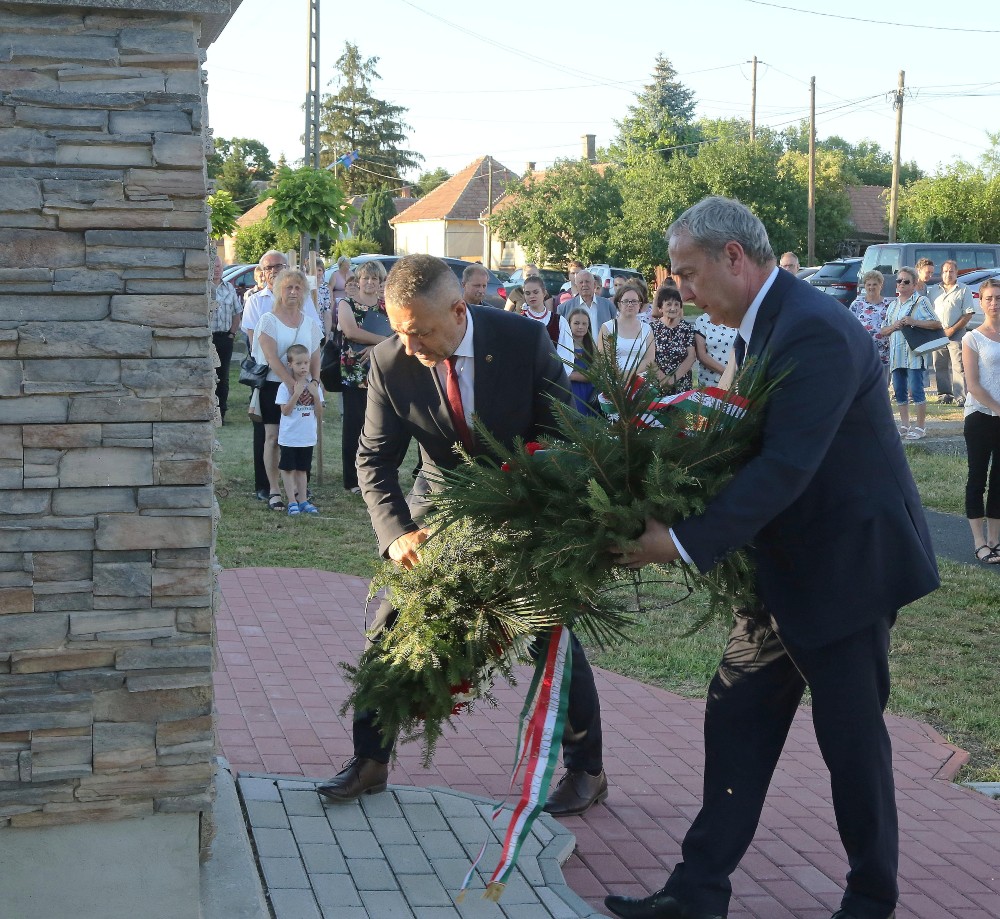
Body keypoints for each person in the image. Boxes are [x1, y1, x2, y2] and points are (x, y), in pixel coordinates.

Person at [603, 196, 938, 919]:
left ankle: (870, 898)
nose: (682, 293)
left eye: (689, 275)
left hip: (847, 571)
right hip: (783, 568)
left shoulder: (812, 330)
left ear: (734, 257)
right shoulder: (763, 326)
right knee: (735, 720)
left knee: (850, 743)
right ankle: (696, 893)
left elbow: (785, 467)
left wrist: (680, 541)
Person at [318, 254, 609, 819]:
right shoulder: (389, 362)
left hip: (524, 494)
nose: (409, 344)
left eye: (420, 331)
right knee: (391, 621)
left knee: (549, 633)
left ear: (458, 310)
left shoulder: (522, 341)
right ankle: (370, 758)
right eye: (399, 330)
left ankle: (586, 769)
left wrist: (528, 508)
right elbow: (374, 461)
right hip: (439, 502)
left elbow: (563, 436)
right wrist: (397, 534)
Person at [252, 268, 323, 511]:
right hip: (274, 386)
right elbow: (271, 358)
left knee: (299, 438)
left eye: (298, 287)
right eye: (288, 287)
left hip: (304, 390)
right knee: (272, 438)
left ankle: (298, 490)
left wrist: (313, 384)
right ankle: (273, 490)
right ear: (278, 290)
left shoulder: (310, 323)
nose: (293, 292)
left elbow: (316, 357)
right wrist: (293, 385)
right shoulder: (268, 321)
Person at [337, 260, 391, 495]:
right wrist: (380, 342)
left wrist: (375, 349)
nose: (370, 283)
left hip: (380, 373)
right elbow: (350, 331)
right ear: (358, 281)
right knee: (354, 426)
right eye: (365, 278)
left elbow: (398, 333)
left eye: (374, 279)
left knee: (379, 427)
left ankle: (376, 475)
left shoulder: (386, 306)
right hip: (354, 372)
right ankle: (352, 479)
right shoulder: (346, 304)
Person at [242, 251, 288, 502]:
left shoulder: (300, 298)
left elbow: (314, 335)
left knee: (294, 430)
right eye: (269, 268)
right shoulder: (256, 302)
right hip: (266, 375)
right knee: (264, 432)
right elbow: (253, 341)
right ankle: (264, 484)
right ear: (262, 272)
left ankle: (297, 483)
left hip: (293, 372)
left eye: (279, 266)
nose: (274, 271)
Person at [962, 277, 1000, 564]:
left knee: (999, 480)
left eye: (998, 298)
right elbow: (973, 384)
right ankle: (979, 541)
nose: (994, 303)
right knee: (978, 478)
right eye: (989, 298)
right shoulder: (972, 337)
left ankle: (995, 540)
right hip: (980, 416)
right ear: (981, 301)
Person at [883, 267, 942, 440]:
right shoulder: (892, 305)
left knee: (916, 390)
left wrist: (913, 322)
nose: (901, 284)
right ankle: (904, 424)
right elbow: (883, 330)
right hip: (896, 356)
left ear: (915, 284)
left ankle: (921, 426)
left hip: (914, 354)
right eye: (899, 281)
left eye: (906, 281)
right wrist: (895, 326)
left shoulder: (921, 301)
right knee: (899, 390)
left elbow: (937, 324)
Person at [276, 343, 323, 517]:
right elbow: (285, 411)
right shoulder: (285, 387)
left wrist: (316, 395)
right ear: (290, 365)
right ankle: (291, 501)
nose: (303, 367)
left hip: (307, 437)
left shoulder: (314, 386)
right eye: (298, 363)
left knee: (303, 469)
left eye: (306, 363)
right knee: (288, 468)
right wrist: (296, 393)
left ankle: (303, 499)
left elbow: (319, 413)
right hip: (289, 437)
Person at [928, 260, 975, 405]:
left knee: (958, 365)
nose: (948, 274)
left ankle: (961, 397)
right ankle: (944, 395)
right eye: (945, 271)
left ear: (956, 272)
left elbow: (968, 314)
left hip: (956, 332)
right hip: (937, 333)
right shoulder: (934, 290)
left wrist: (952, 329)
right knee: (939, 365)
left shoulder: (963, 289)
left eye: (951, 271)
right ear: (941, 273)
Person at [597, 283, 654, 379]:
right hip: (615, 382)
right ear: (619, 304)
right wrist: (621, 377)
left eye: (634, 301)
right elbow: (604, 357)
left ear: (640, 305)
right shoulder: (607, 327)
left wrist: (630, 374)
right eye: (626, 301)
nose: (630, 304)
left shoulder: (647, 329)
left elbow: (650, 359)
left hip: (641, 384)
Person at [209, 255, 242, 423]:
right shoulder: (203, 288)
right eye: (214, 266)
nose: (217, 269)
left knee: (223, 376)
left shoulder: (229, 288)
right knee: (208, 374)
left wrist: (232, 334)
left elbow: (237, 313)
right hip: (207, 339)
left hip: (224, 338)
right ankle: (208, 410)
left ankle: (221, 412)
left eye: (219, 266)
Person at [649, 286, 696, 394]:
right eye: (669, 304)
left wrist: (672, 380)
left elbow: (691, 356)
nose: (673, 308)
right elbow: (649, 357)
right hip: (658, 384)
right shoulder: (651, 328)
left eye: (676, 304)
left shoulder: (686, 328)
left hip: (682, 384)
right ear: (660, 308)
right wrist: (664, 379)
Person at [849, 270, 892, 385]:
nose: (871, 287)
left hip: (883, 352)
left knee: (882, 386)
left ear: (881, 285)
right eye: (868, 284)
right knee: (863, 384)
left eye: (874, 284)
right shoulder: (857, 304)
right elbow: (849, 326)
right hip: (863, 351)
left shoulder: (889, 305)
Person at [520, 275, 574, 364]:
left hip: (552, 374)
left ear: (544, 293)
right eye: (528, 293)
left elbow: (566, 354)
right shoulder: (520, 321)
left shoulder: (559, 321)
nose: (532, 296)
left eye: (536, 292)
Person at [567, 306, 598, 415]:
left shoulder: (594, 349)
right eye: (576, 323)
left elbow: (593, 375)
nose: (580, 327)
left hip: (587, 395)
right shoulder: (561, 347)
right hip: (569, 393)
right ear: (569, 324)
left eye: (584, 324)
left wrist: (569, 375)